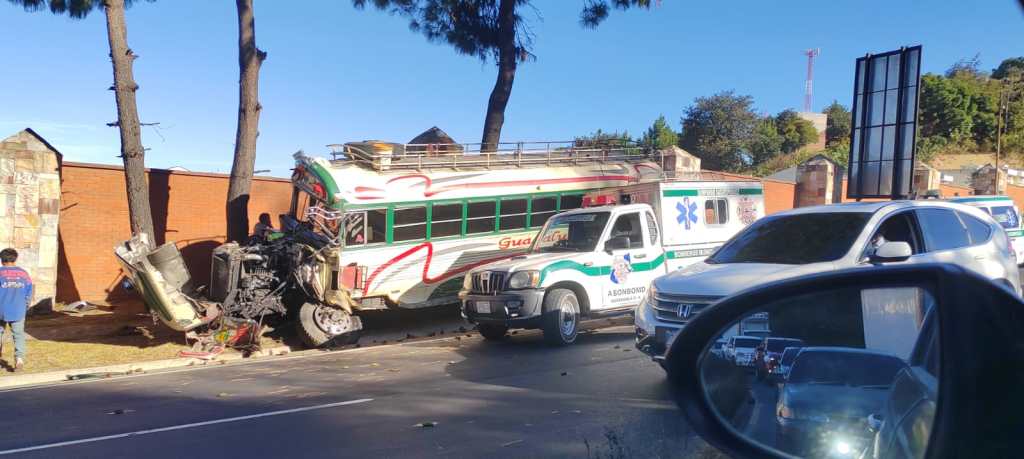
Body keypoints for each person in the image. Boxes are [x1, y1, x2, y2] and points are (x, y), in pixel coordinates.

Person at [0, 248, 32, 371]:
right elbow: (29, 291)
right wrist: (26, 306)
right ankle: (19, 359)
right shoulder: (24, 274)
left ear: (2, 260)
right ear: (15, 259)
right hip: (18, 309)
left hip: (1, 309)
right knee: (18, 335)